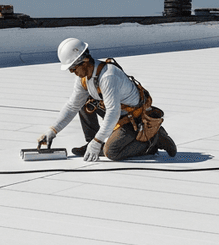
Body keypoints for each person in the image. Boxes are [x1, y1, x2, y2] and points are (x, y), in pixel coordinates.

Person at [37, 38, 177, 162]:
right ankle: (90, 143)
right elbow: (72, 105)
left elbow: (113, 112)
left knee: (112, 152)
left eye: (73, 69)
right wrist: (53, 130)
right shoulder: (83, 79)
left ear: (84, 61)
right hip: (118, 113)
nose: (72, 72)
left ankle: (153, 140)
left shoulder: (108, 76)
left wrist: (98, 141)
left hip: (132, 119)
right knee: (83, 103)